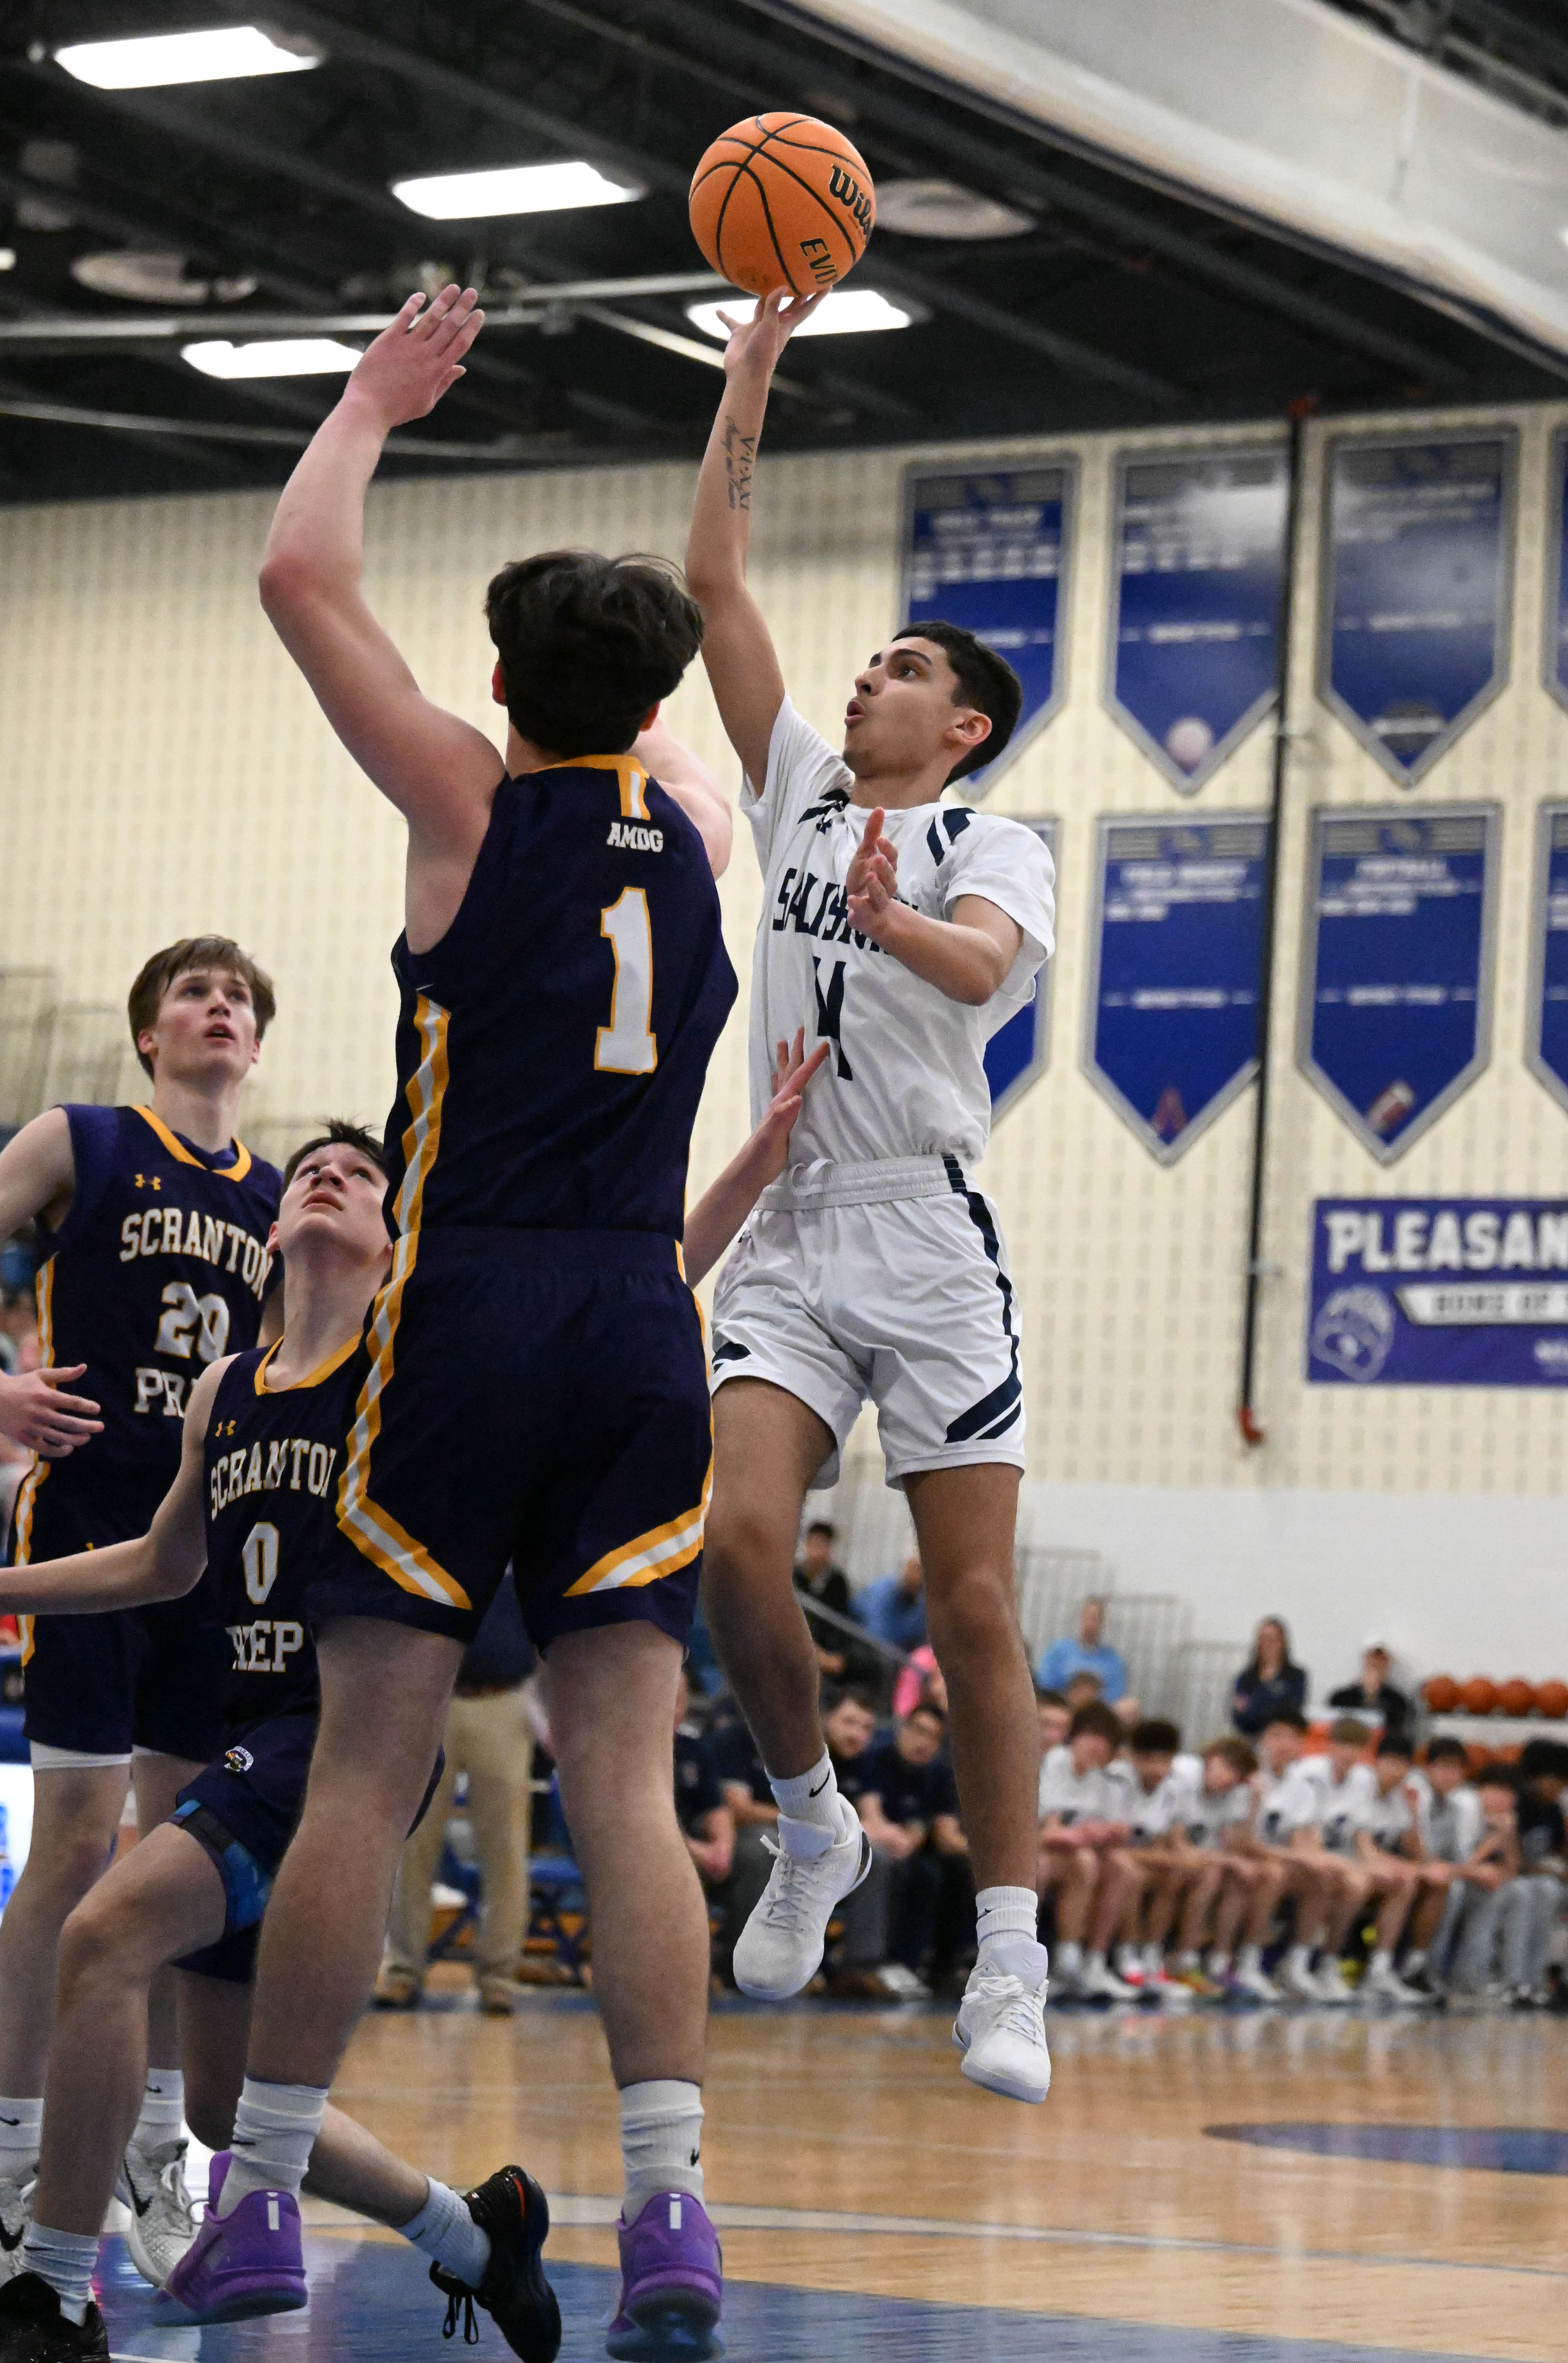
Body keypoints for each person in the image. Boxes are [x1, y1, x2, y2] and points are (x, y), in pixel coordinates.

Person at [223, 279, 824, 2360]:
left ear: (493, 683)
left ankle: (251, 2192)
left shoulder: (467, 808)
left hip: (461, 1305)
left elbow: (303, 573)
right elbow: (656, 652)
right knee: (628, 1783)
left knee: (359, 1771)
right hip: (646, 1324)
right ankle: (670, 2208)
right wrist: (741, 380)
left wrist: (373, 397)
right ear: (659, 694)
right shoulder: (712, 839)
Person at [0, 1128, 561, 2363]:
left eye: (360, 1172)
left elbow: (628, 1269)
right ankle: (474, 2232)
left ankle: (48, 2291)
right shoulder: (225, 1386)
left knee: (102, 1935)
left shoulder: (412, 1360)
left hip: (347, 1741)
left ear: (396, 1238)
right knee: (218, 2100)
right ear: (269, 1227)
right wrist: (7, 1583)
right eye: (309, 1164)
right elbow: (161, 1563)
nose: (328, 1172)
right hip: (249, 1734)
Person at [685, 286, 1058, 2107]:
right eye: (868, 663)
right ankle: (812, 1824)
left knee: (972, 1610)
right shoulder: (801, 801)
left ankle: (1007, 1955)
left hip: (925, 1230)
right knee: (735, 1548)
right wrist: (750, 371)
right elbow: (714, 588)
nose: (863, 677)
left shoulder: (1000, 842)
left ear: (966, 725)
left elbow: (979, 971)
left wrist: (896, 911)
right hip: (791, 1216)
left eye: (903, 668)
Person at [0, 939, 282, 2291]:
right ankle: (9, 2152)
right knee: (71, 1849)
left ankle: (156, 2158)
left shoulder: (281, 1198)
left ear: (256, 1040)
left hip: (215, 1557)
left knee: (184, 1866)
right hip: (90, 1520)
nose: (217, 1007)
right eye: (192, 992)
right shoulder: (84, 1138)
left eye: (236, 995)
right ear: (150, 1035)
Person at [377, 1573, 538, 2016]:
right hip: (431, 1696)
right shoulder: (441, 1524)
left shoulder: (525, 1536)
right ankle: (403, 1972)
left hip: (503, 1700)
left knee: (505, 1848)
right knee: (413, 1842)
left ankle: (499, 1978)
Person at [861, 1701, 970, 1994]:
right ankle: (885, 1961)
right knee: (912, 1872)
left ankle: (943, 1966)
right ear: (903, 1729)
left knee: (956, 1871)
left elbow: (938, 1828)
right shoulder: (874, 1760)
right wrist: (895, 1838)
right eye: (919, 1731)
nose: (924, 1742)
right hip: (872, 1841)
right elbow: (868, 1810)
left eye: (934, 1737)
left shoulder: (939, 1774)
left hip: (913, 1848)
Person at [1036, 1702, 1138, 2002]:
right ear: (1074, 1737)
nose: (1097, 1745)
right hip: (1036, 1849)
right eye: (1091, 1735)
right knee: (1082, 1862)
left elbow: (1113, 1830)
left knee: (1123, 1868)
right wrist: (1083, 1835)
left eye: (1105, 1740)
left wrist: (1108, 1833)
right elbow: (1048, 1831)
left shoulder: (1102, 1779)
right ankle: (1054, 1960)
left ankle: (1093, 1960)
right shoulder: (1054, 1763)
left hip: (1073, 1854)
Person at [673, 1673, 734, 1899]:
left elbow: (715, 1807)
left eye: (680, 1701)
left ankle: (738, 1934)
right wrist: (699, 1853)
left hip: (691, 1840)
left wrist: (723, 1847)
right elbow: (646, 1825)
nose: (674, 1709)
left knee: (757, 1853)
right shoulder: (628, 1755)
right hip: (645, 1844)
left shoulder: (692, 1749)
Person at [791, 1520, 855, 1681]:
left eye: (824, 1545)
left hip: (826, 1649)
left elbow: (840, 1621)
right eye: (814, 1544)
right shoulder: (792, 1576)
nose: (818, 1552)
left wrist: (832, 1655)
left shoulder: (838, 1582)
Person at [1034, 1597, 1126, 1707]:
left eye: (1095, 1619)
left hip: (1097, 1711)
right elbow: (1046, 1683)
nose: (1091, 1623)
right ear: (1081, 1618)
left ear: (1102, 1623)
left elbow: (1116, 1693)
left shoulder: (1113, 1660)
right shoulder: (1059, 1650)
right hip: (1061, 1705)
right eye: (1088, 1617)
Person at [1230, 1618, 1308, 1737]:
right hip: (1251, 1736)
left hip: (1282, 1737)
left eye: (1272, 1639)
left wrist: (1257, 1705)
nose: (1267, 1645)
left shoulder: (1295, 1676)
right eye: (1263, 1639)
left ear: (1283, 1643)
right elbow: (1240, 1716)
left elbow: (1292, 1710)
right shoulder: (1246, 1678)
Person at [1327, 1641, 1412, 1743]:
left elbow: (1395, 1730)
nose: (1376, 1667)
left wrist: (1373, 1695)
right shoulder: (1341, 1697)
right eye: (1373, 1663)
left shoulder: (1397, 1702)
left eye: (1381, 1664)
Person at [855, 1555, 928, 1655]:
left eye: (919, 1570)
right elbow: (857, 1609)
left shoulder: (921, 1611)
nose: (914, 1575)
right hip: (866, 1646)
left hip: (893, 1657)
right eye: (912, 1568)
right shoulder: (884, 1588)